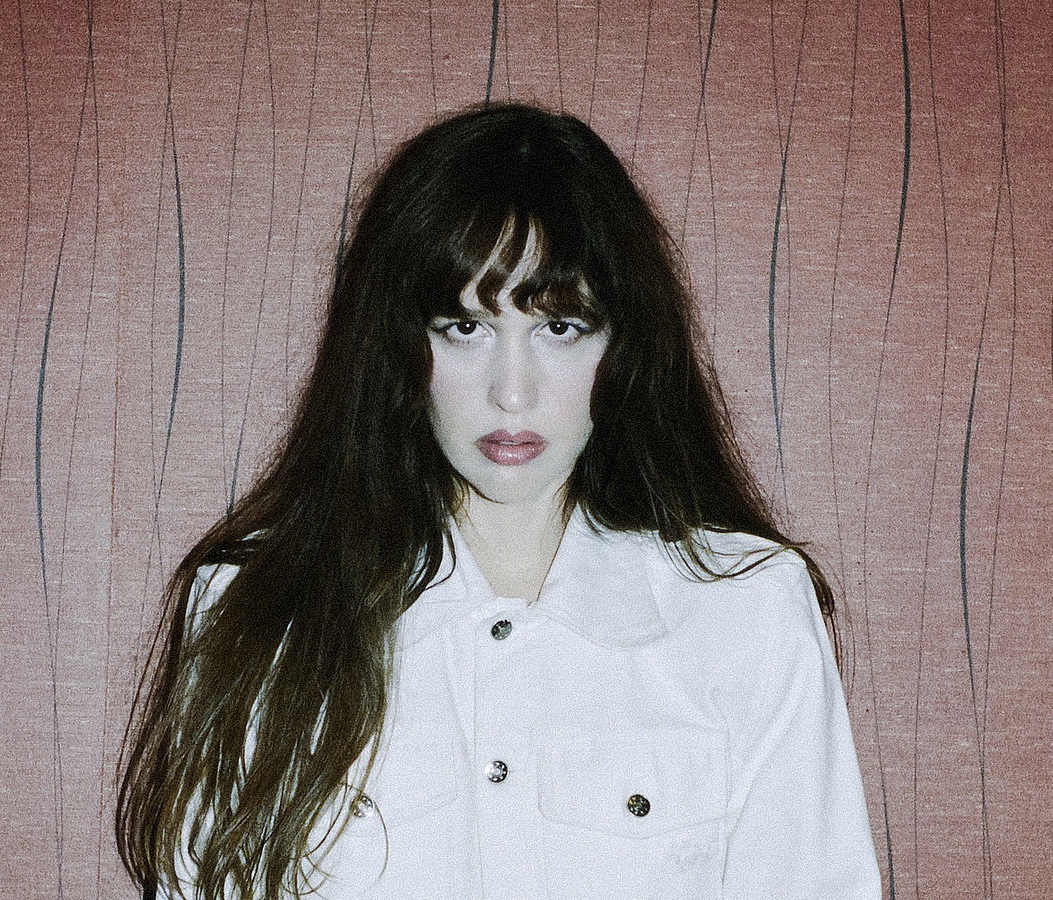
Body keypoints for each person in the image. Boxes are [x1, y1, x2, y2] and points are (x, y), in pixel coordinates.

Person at [116, 103, 880, 900]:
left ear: (623, 345)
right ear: (397, 344)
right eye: (463, 327)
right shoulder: (256, 608)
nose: (512, 392)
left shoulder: (746, 608)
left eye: (561, 328)